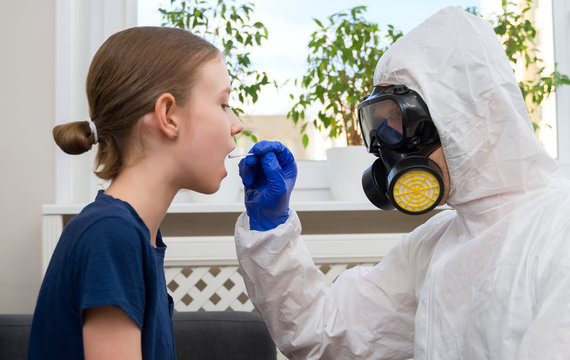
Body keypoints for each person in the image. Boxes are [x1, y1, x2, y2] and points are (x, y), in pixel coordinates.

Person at [234, 6, 570, 360]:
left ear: (473, 115)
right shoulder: (438, 241)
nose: (388, 147)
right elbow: (326, 332)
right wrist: (271, 230)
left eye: (398, 122)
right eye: (380, 126)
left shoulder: (558, 230)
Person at [28, 27, 243, 359]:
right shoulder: (112, 237)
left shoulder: (134, 233)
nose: (236, 123)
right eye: (224, 104)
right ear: (168, 116)